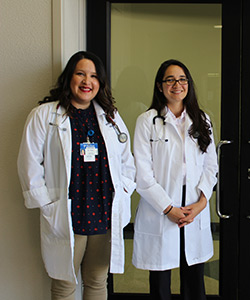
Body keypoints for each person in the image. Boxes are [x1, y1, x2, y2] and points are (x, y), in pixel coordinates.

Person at [17, 51, 136, 300]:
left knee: (97, 281)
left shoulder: (110, 117)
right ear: (69, 78)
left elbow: (127, 161)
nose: (87, 81)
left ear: (100, 83)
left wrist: (124, 190)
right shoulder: (44, 116)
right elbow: (29, 164)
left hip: (104, 212)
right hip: (67, 213)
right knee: (64, 285)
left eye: (93, 76)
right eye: (80, 73)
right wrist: (47, 205)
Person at [132, 59, 218, 300]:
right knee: (160, 285)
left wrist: (201, 204)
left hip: (193, 207)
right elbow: (142, 172)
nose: (176, 84)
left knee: (194, 283)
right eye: (170, 80)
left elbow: (211, 166)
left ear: (188, 84)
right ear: (160, 86)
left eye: (182, 79)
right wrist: (168, 208)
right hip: (161, 208)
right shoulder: (147, 121)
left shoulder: (202, 119)